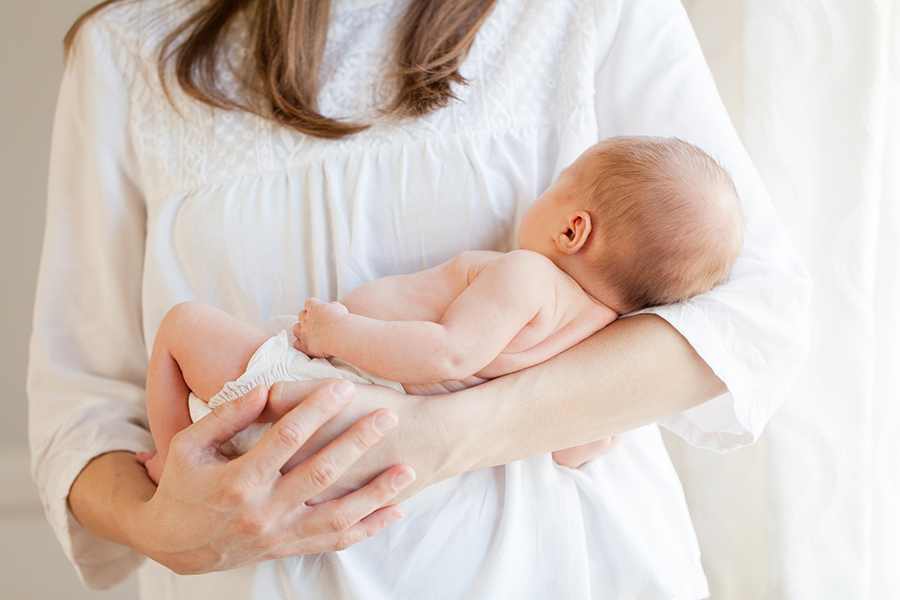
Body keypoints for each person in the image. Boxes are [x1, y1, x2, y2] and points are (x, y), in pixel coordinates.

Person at [28, 0, 811, 597]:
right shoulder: (130, 50)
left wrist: (437, 435)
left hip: (560, 571)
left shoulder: (583, 11)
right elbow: (81, 404)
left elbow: (747, 317)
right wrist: (158, 521)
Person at [139, 135, 743, 485]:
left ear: (573, 226)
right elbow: (574, 448)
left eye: (559, 182)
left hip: (335, 388)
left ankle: (173, 465)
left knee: (182, 326)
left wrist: (338, 332)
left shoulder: (529, 275)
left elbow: (445, 351)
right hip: (367, 434)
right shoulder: (603, 341)